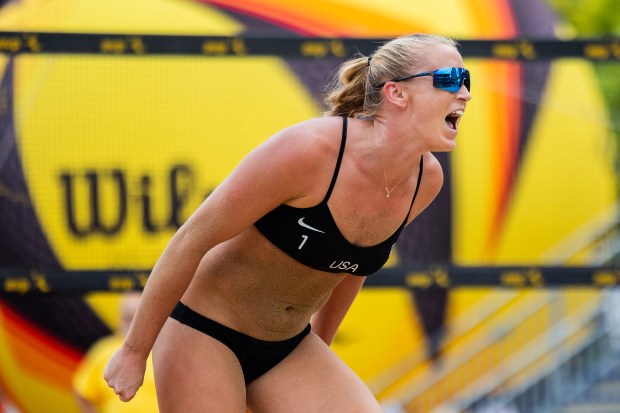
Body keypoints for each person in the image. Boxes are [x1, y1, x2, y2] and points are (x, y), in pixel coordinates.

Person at [104, 33, 471, 412]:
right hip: (204, 331)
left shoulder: (426, 181)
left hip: (288, 345)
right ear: (396, 93)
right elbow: (191, 239)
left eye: (466, 79)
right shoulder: (310, 151)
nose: (464, 93)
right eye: (448, 78)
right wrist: (134, 350)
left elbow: (353, 266)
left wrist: (320, 352)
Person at [73, 292, 157, 413]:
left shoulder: (162, 351)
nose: (132, 325)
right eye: (128, 318)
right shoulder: (104, 351)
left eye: (137, 318)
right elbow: (82, 391)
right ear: (119, 319)